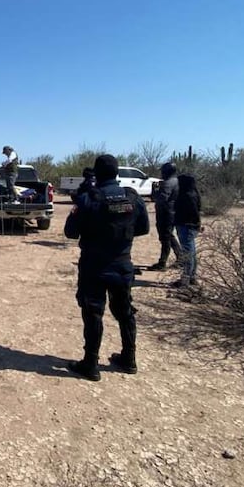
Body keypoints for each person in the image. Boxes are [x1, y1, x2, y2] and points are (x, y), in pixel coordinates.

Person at [63, 154, 149, 380]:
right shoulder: (132, 196)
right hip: (122, 263)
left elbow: (70, 232)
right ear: (117, 173)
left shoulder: (88, 198)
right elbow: (143, 229)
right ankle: (129, 359)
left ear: (96, 174)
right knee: (125, 312)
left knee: (93, 312)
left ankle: (90, 364)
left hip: (94, 266)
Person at [147, 162, 182, 271]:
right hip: (172, 212)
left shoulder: (168, 183)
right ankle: (181, 258)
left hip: (166, 213)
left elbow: (161, 199)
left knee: (165, 237)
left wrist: (155, 192)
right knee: (169, 236)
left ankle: (162, 262)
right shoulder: (176, 181)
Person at [172, 174, 202, 287]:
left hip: (186, 226)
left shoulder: (187, 196)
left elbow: (194, 213)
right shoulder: (192, 194)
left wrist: (195, 224)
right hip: (189, 226)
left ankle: (186, 279)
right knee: (191, 253)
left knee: (188, 254)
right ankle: (192, 277)